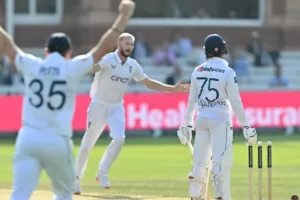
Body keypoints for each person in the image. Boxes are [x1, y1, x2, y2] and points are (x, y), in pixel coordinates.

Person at [0, 1, 136, 199]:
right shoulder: (72, 67)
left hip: (28, 138)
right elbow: (103, 47)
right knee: (64, 194)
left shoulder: (32, 65)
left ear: (46, 51)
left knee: (20, 193)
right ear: (69, 53)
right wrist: (124, 16)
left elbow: (8, 46)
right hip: (57, 141)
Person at [73, 32, 190, 195]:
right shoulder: (108, 60)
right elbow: (92, 69)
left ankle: (102, 171)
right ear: (119, 44)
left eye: (132, 44)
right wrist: (80, 66)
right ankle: (76, 179)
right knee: (88, 143)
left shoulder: (132, 65)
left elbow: (148, 83)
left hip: (116, 107)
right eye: (126, 43)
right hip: (99, 105)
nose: (129, 47)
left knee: (120, 139)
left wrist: (173, 89)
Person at [177, 34, 257, 200]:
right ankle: (221, 197)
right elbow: (236, 101)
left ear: (206, 51)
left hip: (202, 119)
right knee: (221, 163)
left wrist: (186, 125)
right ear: (223, 50)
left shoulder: (197, 71)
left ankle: (195, 196)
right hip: (220, 120)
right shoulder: (228, 72)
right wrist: (246, 126)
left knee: (199, 163)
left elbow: (191, 100)